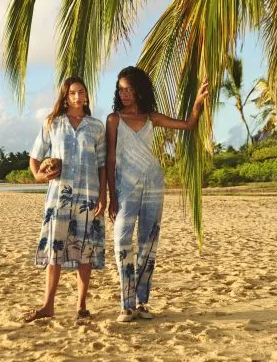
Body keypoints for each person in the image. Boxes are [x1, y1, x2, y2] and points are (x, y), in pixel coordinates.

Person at [106, 66, 208, 322]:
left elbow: (187, 124)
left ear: (139, 90)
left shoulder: (151, 117)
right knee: (121, 240)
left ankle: (140, 302)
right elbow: (109, 159)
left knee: (148, 241)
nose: (124, 93)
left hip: (153, 181)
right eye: (120, 89)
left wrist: (197, 102)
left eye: (129, 89)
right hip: (125, 185)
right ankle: (125, 303)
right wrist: (111, 196)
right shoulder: (114, 119)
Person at [24, 76, 107, 322]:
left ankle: (81, 305)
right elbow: (35, 157)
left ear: (86, 95)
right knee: (55, 250)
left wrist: (104, 195)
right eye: (72, 93)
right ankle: (48, 304)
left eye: (81, 92)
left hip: (89, 196)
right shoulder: (53, 123)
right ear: (65, 96)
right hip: (59, 197)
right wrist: (39, 177)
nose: (77, 97)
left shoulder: (96, 126)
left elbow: (102, 165)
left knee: (86, 251)